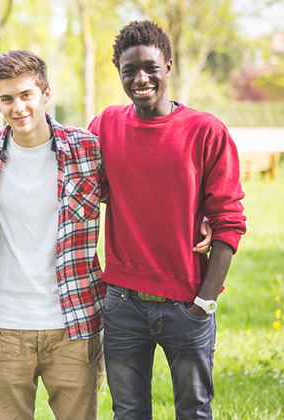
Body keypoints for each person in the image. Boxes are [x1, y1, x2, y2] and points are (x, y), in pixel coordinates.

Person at [88, 21, 247, 420]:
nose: (141, 79)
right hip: (122, 303)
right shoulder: (105, 125)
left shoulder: (206, 131)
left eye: (151, 68)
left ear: (169, 67)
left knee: (194, 412)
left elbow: (229, 221)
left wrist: (204, 303)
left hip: (187, 302)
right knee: (127, 413)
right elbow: (81, 180)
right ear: (119, 74)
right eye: (130, 71)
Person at [0, 49, 107, 419]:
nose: (18, 107)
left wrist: (198, 218)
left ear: (45, 94)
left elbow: (134, 195)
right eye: (7, 99)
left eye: (26, 95)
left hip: (74, 323)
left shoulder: (86, 150)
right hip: (7, 325)